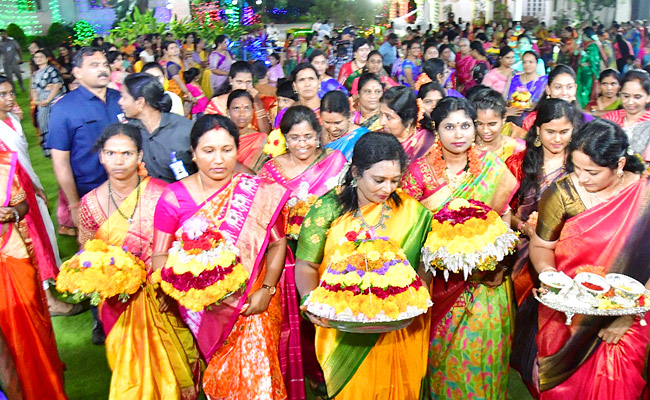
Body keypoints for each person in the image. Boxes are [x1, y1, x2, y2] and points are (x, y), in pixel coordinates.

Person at [153, 114, 289, 399]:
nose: (218, 159)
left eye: (227, 150)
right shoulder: (173, 197)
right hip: (200, 308)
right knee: (221, 378)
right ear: (193, 153)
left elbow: (278, 244)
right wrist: (177, 291)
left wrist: (266, 289)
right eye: (208, 150)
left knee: (258, 379)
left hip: (252, 303)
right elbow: (160, 255)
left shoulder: (255, 190)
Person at [295, 132, 433, 399]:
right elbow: (306, 265)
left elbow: (423, 263)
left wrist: (420, 291)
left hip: (398, 323)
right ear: (356, 173)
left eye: (395, 180)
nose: (387, 188)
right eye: (378, 180)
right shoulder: (328, 208)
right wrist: (309, 298)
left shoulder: (412, 212)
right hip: (340, 323)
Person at [400, 96, 518, 398]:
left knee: (482, 355)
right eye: (449, 127)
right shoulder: (418, 173)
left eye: (465, 125)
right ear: (436, 131)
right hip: (438, 281)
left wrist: (500, 264)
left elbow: (503, 217)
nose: (458, 134)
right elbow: (409, 230)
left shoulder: (492, 167)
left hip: (486, 283)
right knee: (444, 358)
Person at [526, 119, 649, 399]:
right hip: (568, 311)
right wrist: (551, 277)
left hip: (629, 313)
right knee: (562, 390)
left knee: (617, 382)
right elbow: (542, 246)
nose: (581, 178)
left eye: (591, 172)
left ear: (618, 164)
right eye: (576, 168)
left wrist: (629, 316)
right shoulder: (561, 193)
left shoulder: (645, 196)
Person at [77, 124, 201, 400]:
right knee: (132, 372)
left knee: (176, 362)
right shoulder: (90, 203)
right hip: (118, 301)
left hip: (166, 295)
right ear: (101, 157)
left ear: (139, 156)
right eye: (111, 153)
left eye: (126, 153)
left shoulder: (162, 193)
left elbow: (184, 244)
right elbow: (88, 253)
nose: (118, 160)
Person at [259, 106, 347, 399]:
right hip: (293, 256)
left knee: (337, 309)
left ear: (318, 135)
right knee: (304, 317)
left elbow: (348, 201)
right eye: (295, 138)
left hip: (334, 252)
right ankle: (314, 374)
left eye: (308, 137)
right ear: (284, 138)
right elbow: (266, 216)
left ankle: (339, 371)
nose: (303, 144)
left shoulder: (335, 161)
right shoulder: (272, 170)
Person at [507, 98, 576, 392]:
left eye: (564, 132)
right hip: (522, 256)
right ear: (537, 131)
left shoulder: (581, 166)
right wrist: (525, 227)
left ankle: (550, 381)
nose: (557, 139)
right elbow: (503, 211)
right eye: (550, 132)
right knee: (526, 324)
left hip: (567, 257)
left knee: (559, 324)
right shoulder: (518, 164)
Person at [0, 75, 72, 314]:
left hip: (27, 185)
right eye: (3, 95)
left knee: (43, 232)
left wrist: (34, 184)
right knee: (30, 240)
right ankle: (47, 300)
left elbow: (22, 160)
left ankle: (51, 284)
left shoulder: (12, 119)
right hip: (10, 195)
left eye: (11, 93)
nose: (10, 98)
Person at [0, 147, 67, 399]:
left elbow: (22, 206)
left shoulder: (3, 163)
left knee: (25, 330)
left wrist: (11, 213)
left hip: (10, 255)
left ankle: (39, 386)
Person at [119, 73, 196, 183]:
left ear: (140, 102)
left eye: (124, 97)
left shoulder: (186, 129)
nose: (120, 102)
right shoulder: (127, 133)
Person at [521, 64, 593, 132]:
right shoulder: (533, 119)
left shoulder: (587, 121)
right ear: (548, 89)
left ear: (575, 88)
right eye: (558, 87)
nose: (564, 92)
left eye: (569, 87)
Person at [206, 61, 271, 134]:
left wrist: (257, 103)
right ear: (230, 80)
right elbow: (208, 133)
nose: (244, 87)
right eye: (239, 82)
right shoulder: (217, 103)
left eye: (248, 82)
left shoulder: (256, 101)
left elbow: (265, 133)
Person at [380, 85, 435, 161]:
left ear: (409, 120)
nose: (382, 122)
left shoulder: (425, 140)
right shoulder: (379, 138)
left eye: (389, 117)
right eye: (380, 114)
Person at [470, 88, 527, 158]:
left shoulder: (517, 149)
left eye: (492, 124)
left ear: (504, 119)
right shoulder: (466, 146)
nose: (485, 130)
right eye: (479, 123)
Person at [602, 69, 650, 150]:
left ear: (648, 97)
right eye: (626, 96)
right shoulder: (609, 119)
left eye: (637, 97)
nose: (630, 102)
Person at [30, 49, 66, 156]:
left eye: (41, 57)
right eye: (36, 57)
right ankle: (48, 148)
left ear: (46, 58)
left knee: (52, 122)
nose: (38, 59)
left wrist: (48, 100)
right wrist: (36, 100)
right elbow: (33, 89)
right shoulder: (35, 74)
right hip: (41, 102)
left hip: (53, 101)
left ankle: (58, 145)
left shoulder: (51, 70)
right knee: (42, 122)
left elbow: (57, 85)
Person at [226, 89, 268, 172]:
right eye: (236, 108)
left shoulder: (262, 139)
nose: (242, 113)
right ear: (228, 112)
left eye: (246, 108)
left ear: (253, 111)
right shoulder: (220, 138)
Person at [320, 90, 369, 159]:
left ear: (349, 116)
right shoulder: (318, 135)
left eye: (337, 123)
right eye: (327, 122)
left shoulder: (362, 137)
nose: (332, 128)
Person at [507, 51, 548, 116]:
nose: (527, 65)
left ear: (537, 64)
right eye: (524, 62)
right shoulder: (515, 79)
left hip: (536, 117)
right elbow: (508, 99)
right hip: (515, 116)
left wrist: (536, 106)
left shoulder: (544, 81)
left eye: (530, 62)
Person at [576, 28, 602, 108]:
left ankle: (584, 107)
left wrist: (586, 63)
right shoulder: (585, 45)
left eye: (583, 35)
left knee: (586, 90)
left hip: (588, 73)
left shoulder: (593, 46)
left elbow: (594, 60)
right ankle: (579, 106)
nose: (582, 37)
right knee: (580, 89)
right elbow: (575, 52)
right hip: (582, 71)